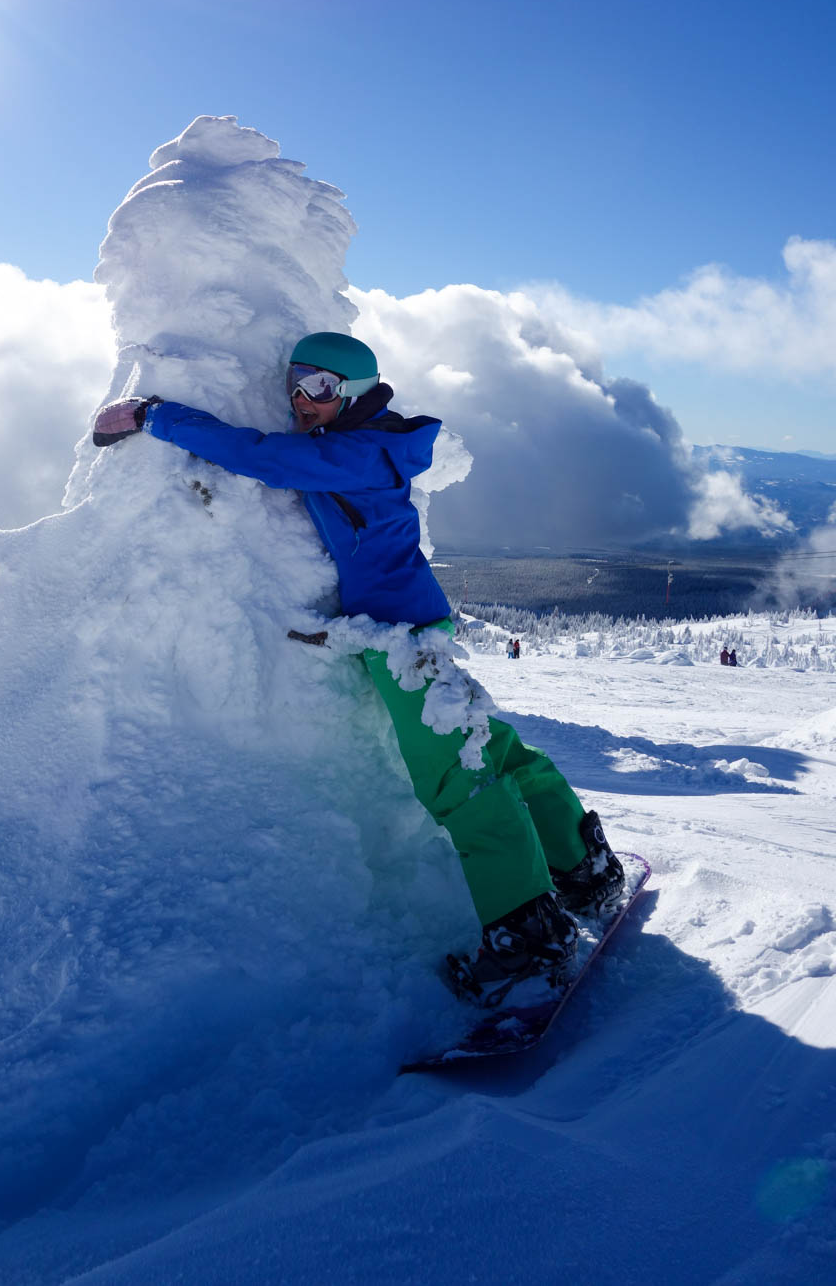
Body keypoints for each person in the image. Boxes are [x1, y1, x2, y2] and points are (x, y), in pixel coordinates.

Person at [93, 332, 624, 1006]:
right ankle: (584, 866)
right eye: (295, 383)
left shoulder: (355, 454)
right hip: (410, 627)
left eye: (320, 386)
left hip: (402, 640)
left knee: (458, 782)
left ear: (354, 391)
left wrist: (154, 416)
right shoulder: (365, 444)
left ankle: (529, 939)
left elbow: (259, 455)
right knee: (494, 751)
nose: (302, 399)